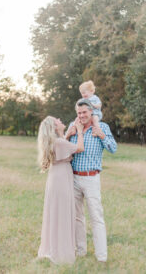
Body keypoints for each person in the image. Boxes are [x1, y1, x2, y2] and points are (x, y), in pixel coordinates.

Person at [66, 98, 117, 262]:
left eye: (84, 112)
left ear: (91, 112)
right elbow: (62, 147)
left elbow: (113, 148)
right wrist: (68, 135)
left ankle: (101, 257)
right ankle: (80, 251)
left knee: (96, 217)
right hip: (73, 177)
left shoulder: (102, 127)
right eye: (79, 113)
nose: (81, 116)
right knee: (77, 217)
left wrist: (102, 135)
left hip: (91, 178)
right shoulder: (72, 127)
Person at [37, 116, 84, 264]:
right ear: (54, 127)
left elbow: (62, 145)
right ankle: (62, 250)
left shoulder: (55, 142)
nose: (59, 119)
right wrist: (80, 132)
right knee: (63, 212)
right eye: (57, 120)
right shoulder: (60, 142)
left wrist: (67, 135)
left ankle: (53, 245)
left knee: (55, 212)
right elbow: (80, 148)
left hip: (55, 177)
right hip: (62, 178)